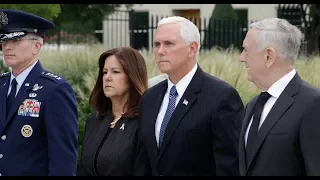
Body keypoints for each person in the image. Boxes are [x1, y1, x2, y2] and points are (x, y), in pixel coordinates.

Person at [134, 16, 244, 176]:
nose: (160, 51)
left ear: (192, 49)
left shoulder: (221, 97)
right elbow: (143, 161)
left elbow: (230, 166)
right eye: (156, 44)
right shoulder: (150, 97)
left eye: (168, 44)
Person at [0, 9, 78, 176]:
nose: (7, 46)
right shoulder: (1, 85)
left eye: (16, 39)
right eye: (4, 40)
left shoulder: (54, 90)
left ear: (37, 46)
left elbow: (63, 161)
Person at [238, 18, 320, 176]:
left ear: (269, 56)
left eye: (246, 50)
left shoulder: (313, 104)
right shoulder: (253, 105)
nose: (242, 57)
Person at [77, 47, 148, 176]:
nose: (107, 78)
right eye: (104, 72)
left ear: (133, 76)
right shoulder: (95, 119)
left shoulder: (144, 121)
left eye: (115, 72)